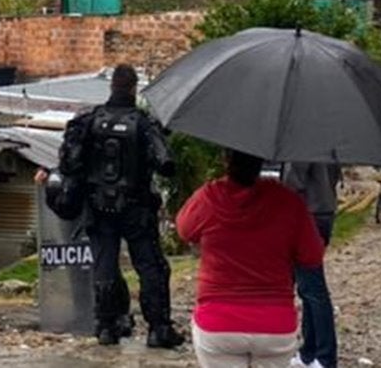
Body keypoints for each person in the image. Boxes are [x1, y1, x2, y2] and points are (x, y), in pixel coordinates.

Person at [58, 64, 184, 349]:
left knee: (104, 265)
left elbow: (69, 163)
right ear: (133, 87)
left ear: (112, 86)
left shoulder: (89, 121)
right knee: (150, 267)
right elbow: (167, 164)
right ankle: (158, 328)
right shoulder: (142, 123)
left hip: (99, 206)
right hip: (136, 207)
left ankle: (106, 326)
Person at [177, 149, 326, 368]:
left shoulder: (210, 197)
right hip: (275, 325)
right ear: (261, 162)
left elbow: (184, 230)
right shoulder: (288, 202)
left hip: (218, 323)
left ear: (225, 160)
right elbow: (312, 256)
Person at [35, 166, 135, 339]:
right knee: (77, 266)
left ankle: (119, 314)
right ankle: (84, 313)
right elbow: (65, 153)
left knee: (104, 263)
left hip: (98, 198)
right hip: (71, 199)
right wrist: (47, 171)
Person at [282, 162, 341, 368]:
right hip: (326, 211)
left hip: (308, 214)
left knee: (313, 289)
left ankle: (325, 357)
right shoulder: (330, 140)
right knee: (308, 289)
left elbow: (293, 182)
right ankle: (309, 352)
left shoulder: (302, 140)